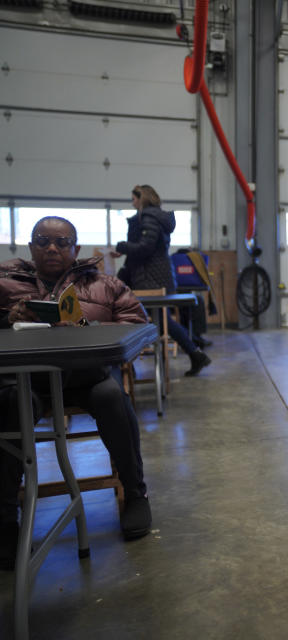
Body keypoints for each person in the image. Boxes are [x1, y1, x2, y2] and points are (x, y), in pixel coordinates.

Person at [0, 217, 154, 568]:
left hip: (87, 378)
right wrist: (8, 319)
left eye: (61, 242)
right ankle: (7, 519)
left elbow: (138, 326)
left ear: (76, 248)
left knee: (112, 396)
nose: (52, 248)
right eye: (42, 241)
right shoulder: (6, 283)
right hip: (26, 381)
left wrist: (87, 329)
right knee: (10, 405)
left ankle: (135, 493)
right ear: (30, 246)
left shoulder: (105, 284)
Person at [113, 185, 211, 376]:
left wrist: (123, 246)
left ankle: (132, 366)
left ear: (142, 198)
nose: (132, 203)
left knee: (154, 318)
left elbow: (146, 247)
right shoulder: (157, 217)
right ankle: (195, 353)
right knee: (161, 319)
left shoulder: (148, 218)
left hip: (151, 278)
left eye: (134, 199)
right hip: (159, 275)